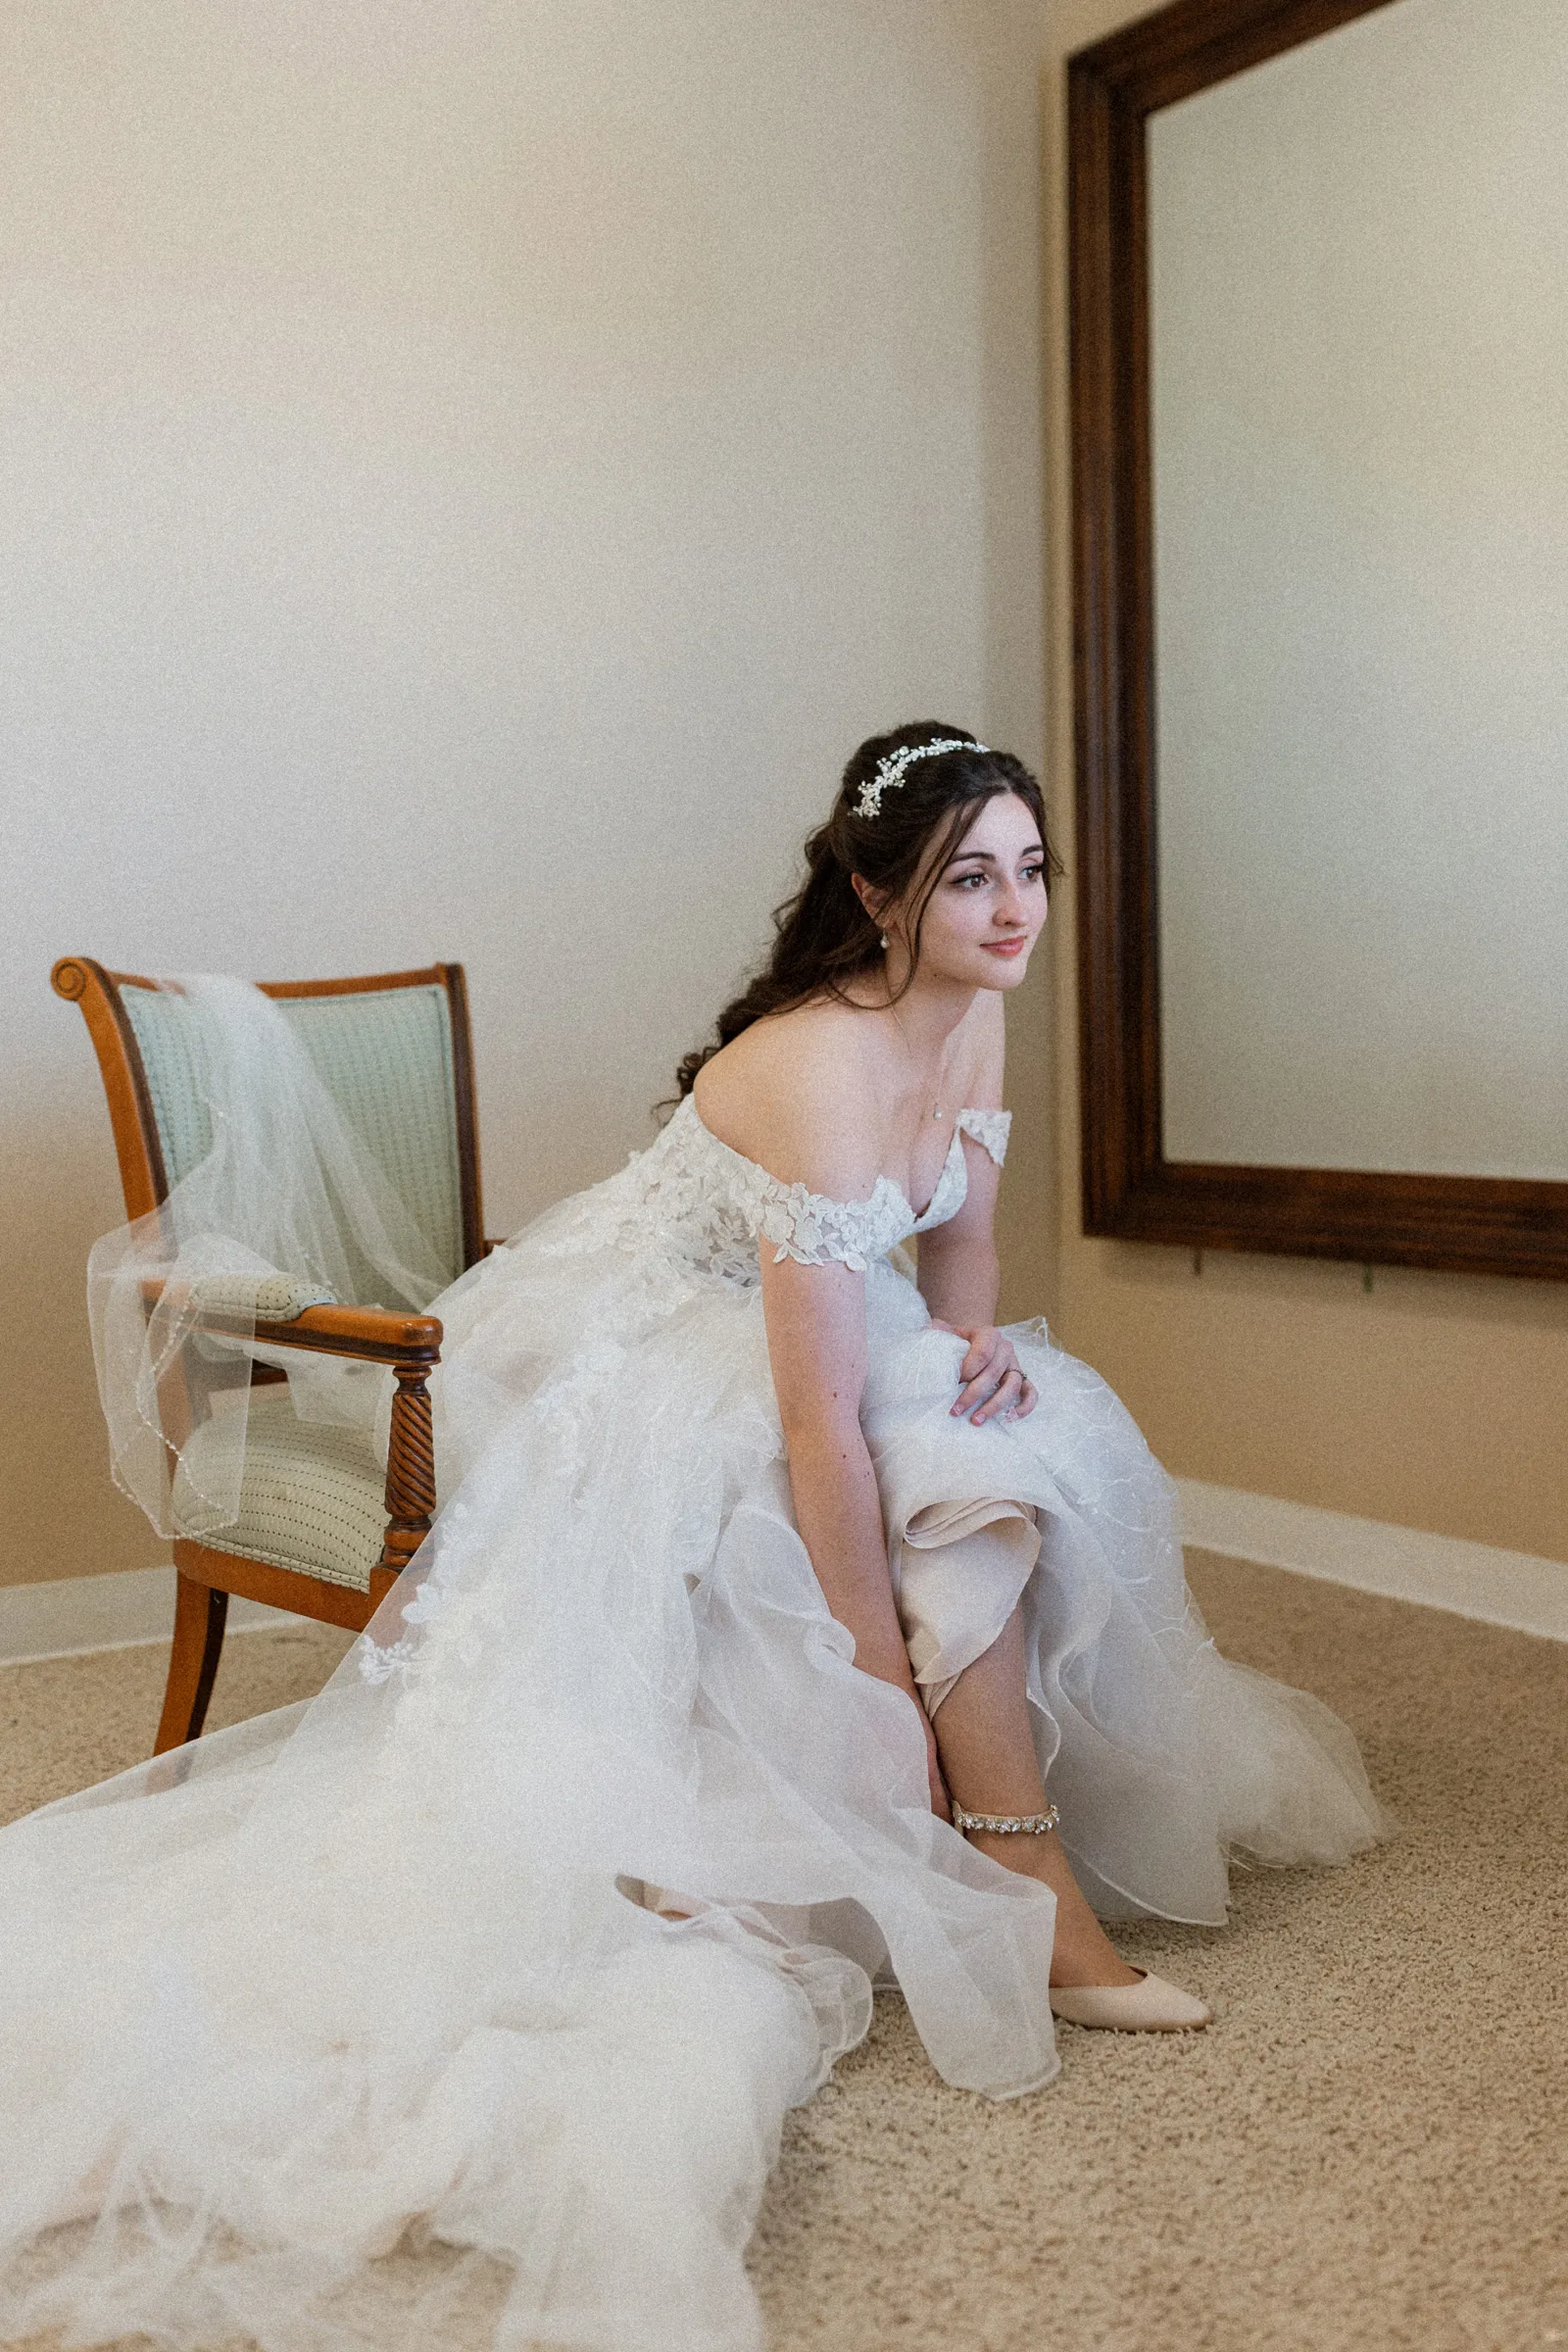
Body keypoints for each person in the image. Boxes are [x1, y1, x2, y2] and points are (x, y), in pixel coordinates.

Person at [0, 725, 1384, 2352]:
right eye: (969, 879)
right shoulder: (814, 1063)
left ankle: (1021, 1873)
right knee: (935, 1494)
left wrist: (982, 1354)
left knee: (1008, 1436)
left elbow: (953, 1265)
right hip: (648, 1355)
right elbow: (813, 1427)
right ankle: (1032, 1889)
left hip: (824, 1334)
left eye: (1029, 872)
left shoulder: (980, 1022)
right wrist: (871, 1682)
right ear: (879, 895)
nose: (1015, 912)